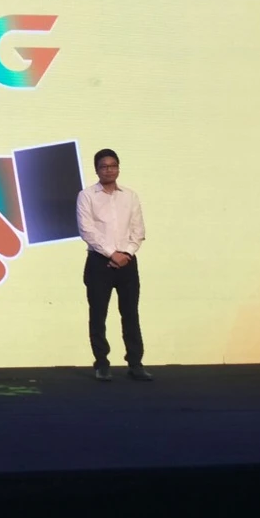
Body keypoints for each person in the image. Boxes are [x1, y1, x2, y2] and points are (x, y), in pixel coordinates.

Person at [75, 149, 152, 382]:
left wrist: (126, 253)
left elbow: (138, 230)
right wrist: (111, 253)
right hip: (99, 262)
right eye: (104, 166)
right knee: (98, 314)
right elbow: (87, 230)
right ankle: (102, 363)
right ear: (96, 169)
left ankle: (135, 363)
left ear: (118, 167)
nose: (109, 170)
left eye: (113, 165)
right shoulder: (86, 196)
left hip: (128, 262)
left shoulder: (130, 196)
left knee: (130, 313)